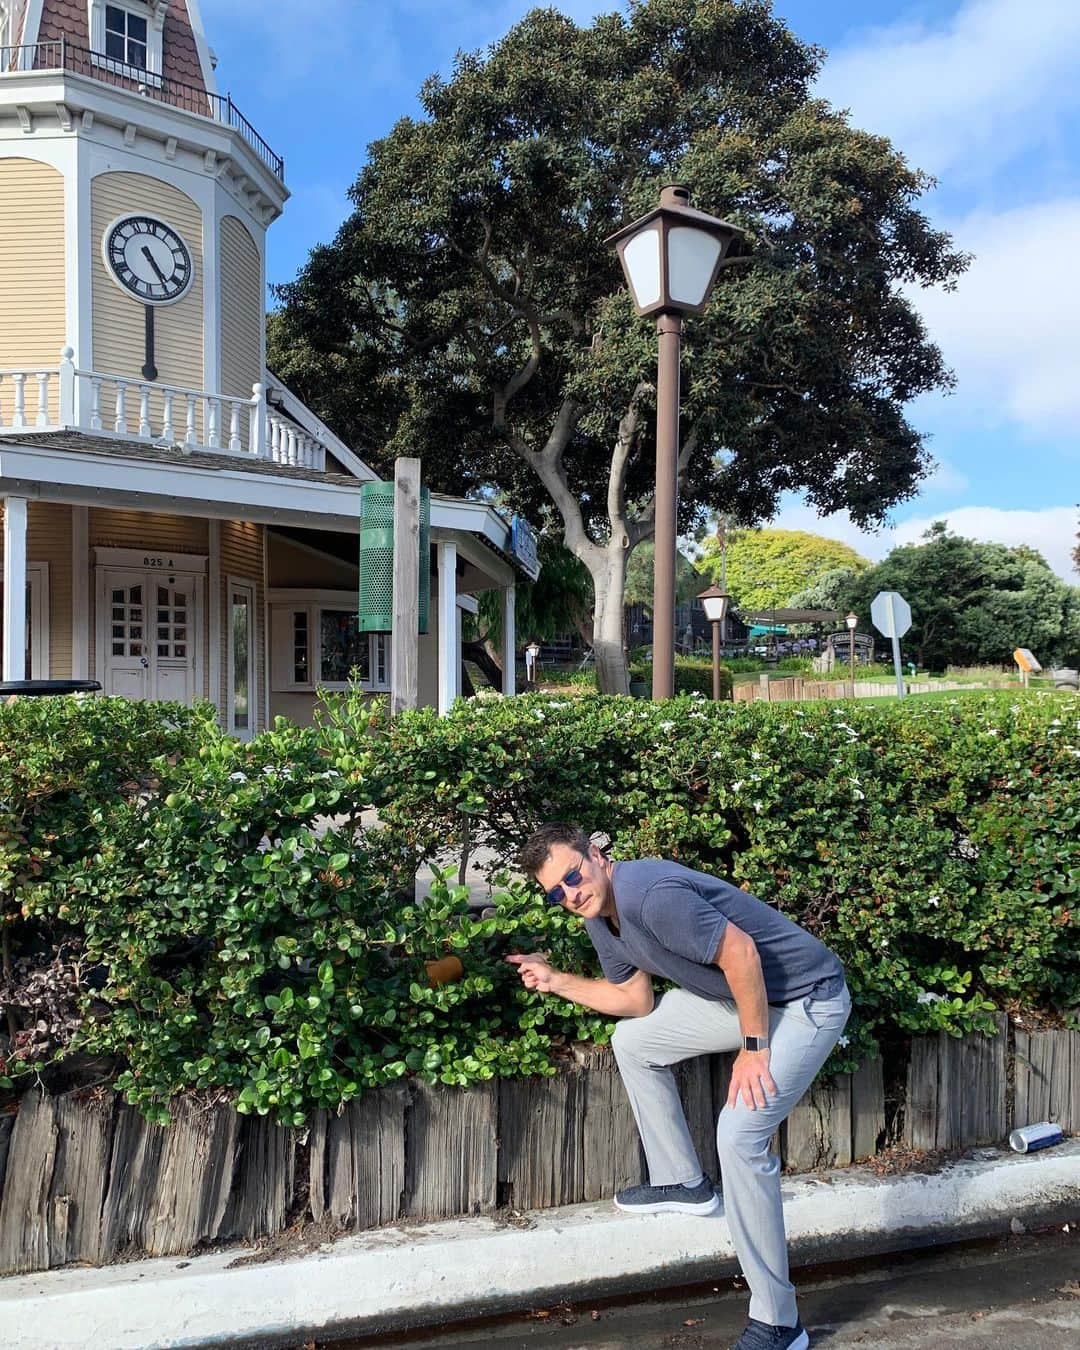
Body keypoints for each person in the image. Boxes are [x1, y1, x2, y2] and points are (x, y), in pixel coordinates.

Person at [509, 822, 849, 1350]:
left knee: (738, 1136)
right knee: (636, 1041)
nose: (571, 894)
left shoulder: (649, 896)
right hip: (743, 1001)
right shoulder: (602, 916)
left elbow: (741, 954)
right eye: (557, 892)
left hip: (808, 1003)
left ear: (595, 855)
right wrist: (557, 981)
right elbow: (635, 1001)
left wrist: (754, 1050)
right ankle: (681, 1181)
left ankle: (780, 1323)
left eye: (573, 875)